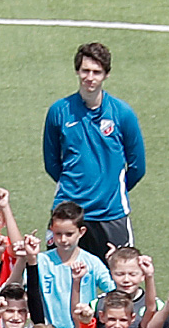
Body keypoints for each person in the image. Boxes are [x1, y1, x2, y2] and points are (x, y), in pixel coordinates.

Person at [42, 42, 146, 255]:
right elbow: (51, 162)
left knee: (120, 273)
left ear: (106, 75)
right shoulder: (59, 111)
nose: (90, 77)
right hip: (67, 214)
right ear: (77, 71)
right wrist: (75, 186)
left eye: (96, 72)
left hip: (110, 214)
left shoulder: (122, 113)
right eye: (85, 70)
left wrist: (110, 189)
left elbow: (138, 166)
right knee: (58, 272)